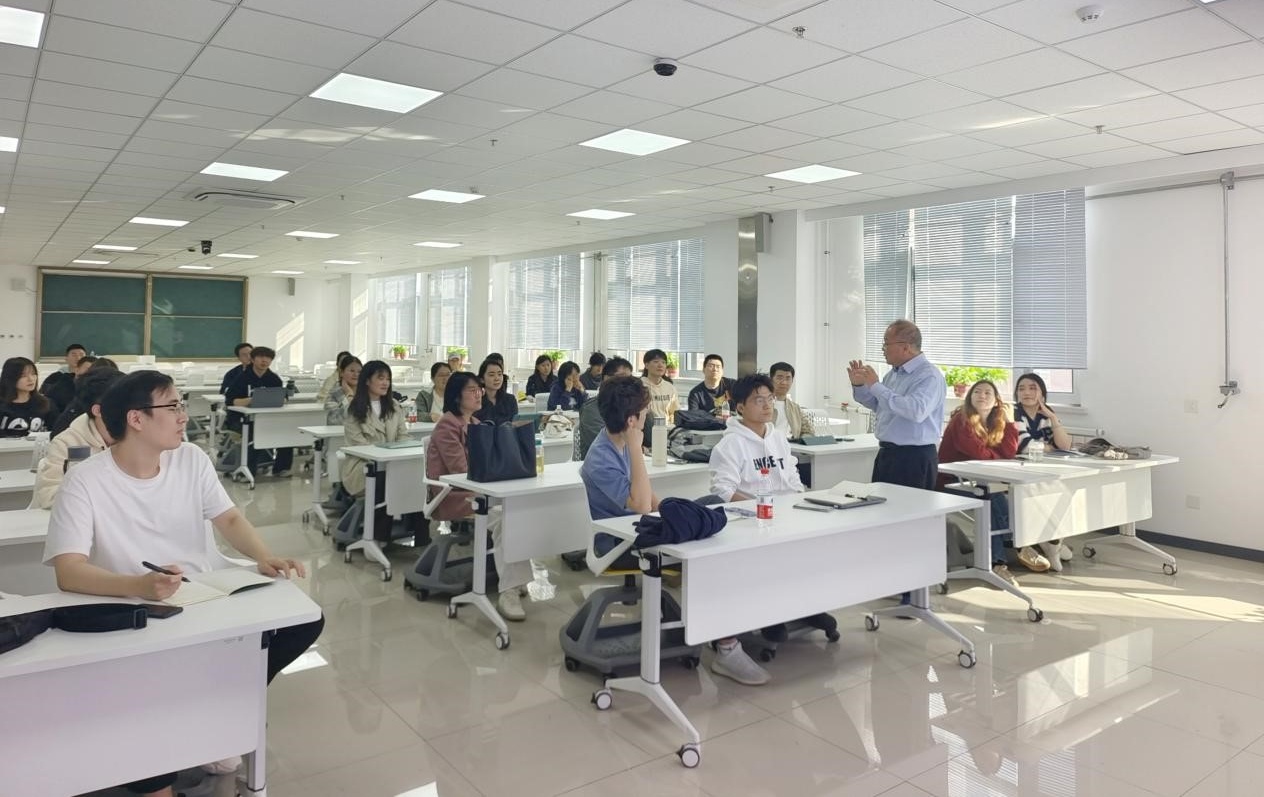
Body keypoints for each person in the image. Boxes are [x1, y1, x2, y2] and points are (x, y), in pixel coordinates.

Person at [42, 370, 323, 797]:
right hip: (135, 607)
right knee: (148, 697)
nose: (183, 416)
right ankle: (181, 740)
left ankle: (219, 700)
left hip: (202, 594)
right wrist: (139, 586)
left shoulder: (190, 458)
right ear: (136, 418)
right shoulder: (85, 480)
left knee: (305, 620)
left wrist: (263, 556)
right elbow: (69, 571)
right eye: (172, 406)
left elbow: (228, 517)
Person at [581, 375, 770, 686]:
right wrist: (636, 448)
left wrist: (674, 514)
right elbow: (642, 505)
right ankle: (727, 646)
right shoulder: (603, 457)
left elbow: (651, 502)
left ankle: (739, 617)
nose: (647, 417)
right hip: (620, 542)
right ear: (632, 420)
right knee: (713, 550)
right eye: (644, 413)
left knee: (713, 506)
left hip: (642, 529)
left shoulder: (620, 443)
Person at [709, 373, 836, 647]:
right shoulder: (731, 444)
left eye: (769, 399)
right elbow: (723, 490)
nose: (767, 405)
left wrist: (799, 504)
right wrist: (759, 509)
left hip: (786, 515)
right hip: (752, 521)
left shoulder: (778, 437)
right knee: (772, 559)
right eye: (758, 400)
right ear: (740, 407)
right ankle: (770, 615)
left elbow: (792, 477)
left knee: (818, 548)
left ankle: (807, 606)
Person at [848, 320, 945, 610]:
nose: (883, 350)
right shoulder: (894, 374)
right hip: (889, 454)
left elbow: (915, 411)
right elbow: (880, 404)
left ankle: (914, 590)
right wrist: (860, 385)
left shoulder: (929, 376)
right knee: (885, 519)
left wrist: (876, 386)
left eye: (886, 344)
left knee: (911, 524)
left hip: (915, 457)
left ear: (905, 346)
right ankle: (892, 578)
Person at [426, 371, 533, 620]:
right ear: (457, 396)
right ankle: (508, 591)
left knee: (518, 511)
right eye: (472, 390)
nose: (479, 395)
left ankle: (516, 579)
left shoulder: (475, 423)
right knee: (505, 517)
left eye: (479, 390)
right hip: (454, 496)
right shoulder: (447, 426)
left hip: (478, 492)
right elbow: (461, 471)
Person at [936, 380, 1048, 582]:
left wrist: (1011, 422)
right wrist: (998, 458)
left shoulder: (997, 421)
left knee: (991, 496)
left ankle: (998, 562)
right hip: (950, 482)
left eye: (988, 392)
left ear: (996, 400)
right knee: (991, 496)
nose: (982, 396)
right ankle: (1015, 546)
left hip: (980, 482)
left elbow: (1009, 453)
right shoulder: (961, 420)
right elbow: (978, 454)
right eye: (977, 392)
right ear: (970, 398)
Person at [340, 360, 423, 543]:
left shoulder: (394, 406)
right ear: (367, 381)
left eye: (388, 379)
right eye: (380, 378)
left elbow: (403, 435)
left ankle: (420, 534)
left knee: (416, 476)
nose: (385, 383)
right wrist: (387, 457)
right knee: (385, 480)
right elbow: (360, 445)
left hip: (391, 464)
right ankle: (379, 537)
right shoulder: (354, 408)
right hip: (362, 467)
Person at [34, 367, 123, 509]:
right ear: (98, 410)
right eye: (122, 402)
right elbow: (48, 496)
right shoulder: (66, 443)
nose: (132, 408)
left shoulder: (139, 437)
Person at [1014, 372, 1074, 570]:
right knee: (1046, 495)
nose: (1026, 392)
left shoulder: (1046, 414)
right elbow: (1025, 447)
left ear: (1042, 393)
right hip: (1018, 470)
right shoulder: (1013, 412)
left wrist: (1053, 418)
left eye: (1033, 388)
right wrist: (1050, 447)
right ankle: (1050, 544)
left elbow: (1064, 446)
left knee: (1065, 494)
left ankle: (1052, 543)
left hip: (1043, 468)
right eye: (1021, 388)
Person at [224, 345, 293, 477]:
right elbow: (230, 400)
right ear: (253, 359)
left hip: (267, 418)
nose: (264, 360)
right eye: (261, 357)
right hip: (240, 419)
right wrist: (251, 400)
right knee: (254, 434)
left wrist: (280, 399)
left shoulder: (274, 379)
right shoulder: (241, 377)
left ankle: (281, 468)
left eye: (268, 358)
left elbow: (283, 398)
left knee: (285, 432)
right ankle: (248, 472)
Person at [576, 357, 632, 460]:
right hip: (601, 464)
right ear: (607, 379)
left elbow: (651, 438)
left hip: (631, 461)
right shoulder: (591, 410)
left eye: (630, 379)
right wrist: (637, 446)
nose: (628, 384)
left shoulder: (632, 406)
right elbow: (607, 447)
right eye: (622, 378)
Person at [0, 356, 56, 437]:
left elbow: (56, 432)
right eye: (23, 375)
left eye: (33, 374)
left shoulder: (46, 403)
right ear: (10, 378)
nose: (31, 379)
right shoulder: (2, 405)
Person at [641, 348, 679, 449]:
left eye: (663, 362)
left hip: (668, 430)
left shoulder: (669, 387)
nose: (660, 365)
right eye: (656, 361)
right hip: (648, 430)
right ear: (646, 365)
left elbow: (675, 413)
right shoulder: (639, 385)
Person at [39, 343, 88, 415]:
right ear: (66, 359)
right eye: (74, 355)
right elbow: (44, 395)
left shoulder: (90, 378)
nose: (78, 358)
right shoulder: (55, 377)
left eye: (81, 355)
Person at [768, 362, 809, 439]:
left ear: (792, 381)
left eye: (788, 378)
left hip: (791, 445)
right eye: (779, 378)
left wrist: (800, 441)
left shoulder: (795, 408)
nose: (784, 382)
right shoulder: (762, 405)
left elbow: (808, 431)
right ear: (771, 379)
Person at [475, 358, 518, 425]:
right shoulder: (475, 400)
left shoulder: (510, 400)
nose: (497, 378)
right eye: (491, 375)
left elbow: (515, 424)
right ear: (482, 379)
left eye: (499, 374)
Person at [323, 355, 362, 426]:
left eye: (359, 372)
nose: (356, 374)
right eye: (352, 371)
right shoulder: (334, 395)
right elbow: (334, 422)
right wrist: (349, 395)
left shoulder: (367, 392)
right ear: (341, 372)